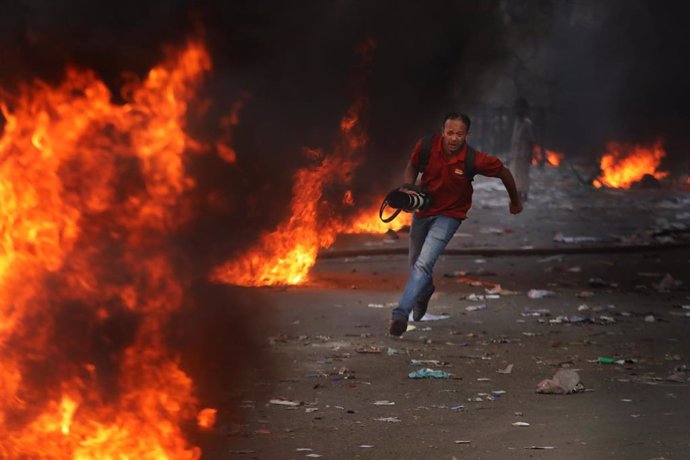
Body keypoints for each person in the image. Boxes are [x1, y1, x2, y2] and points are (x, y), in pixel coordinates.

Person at [389, 112, 523, 336]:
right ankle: (425, 291)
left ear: (467, 135)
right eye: (449, 133)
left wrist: (515, 201)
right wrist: (407, 186)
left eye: (459, 134)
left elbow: (504, 173)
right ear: (442, 131)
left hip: (450, 215)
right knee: (415, 264)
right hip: (423, 211)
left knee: (423, 265)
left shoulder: (474, 159)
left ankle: (400, 314)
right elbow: (412, 166)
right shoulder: (426, 147)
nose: (453, 138)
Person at [509, 98, 536, 201]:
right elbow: (514, 140)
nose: (517, 111)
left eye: (519, 108)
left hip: (524, 154)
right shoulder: (517, 122)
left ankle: (523, 194)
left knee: (523, 174)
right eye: (516, 108)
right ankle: (518, 193)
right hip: (515, 154)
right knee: (515, 174)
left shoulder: (527, 123)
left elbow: (532, 140)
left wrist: (530, 155)